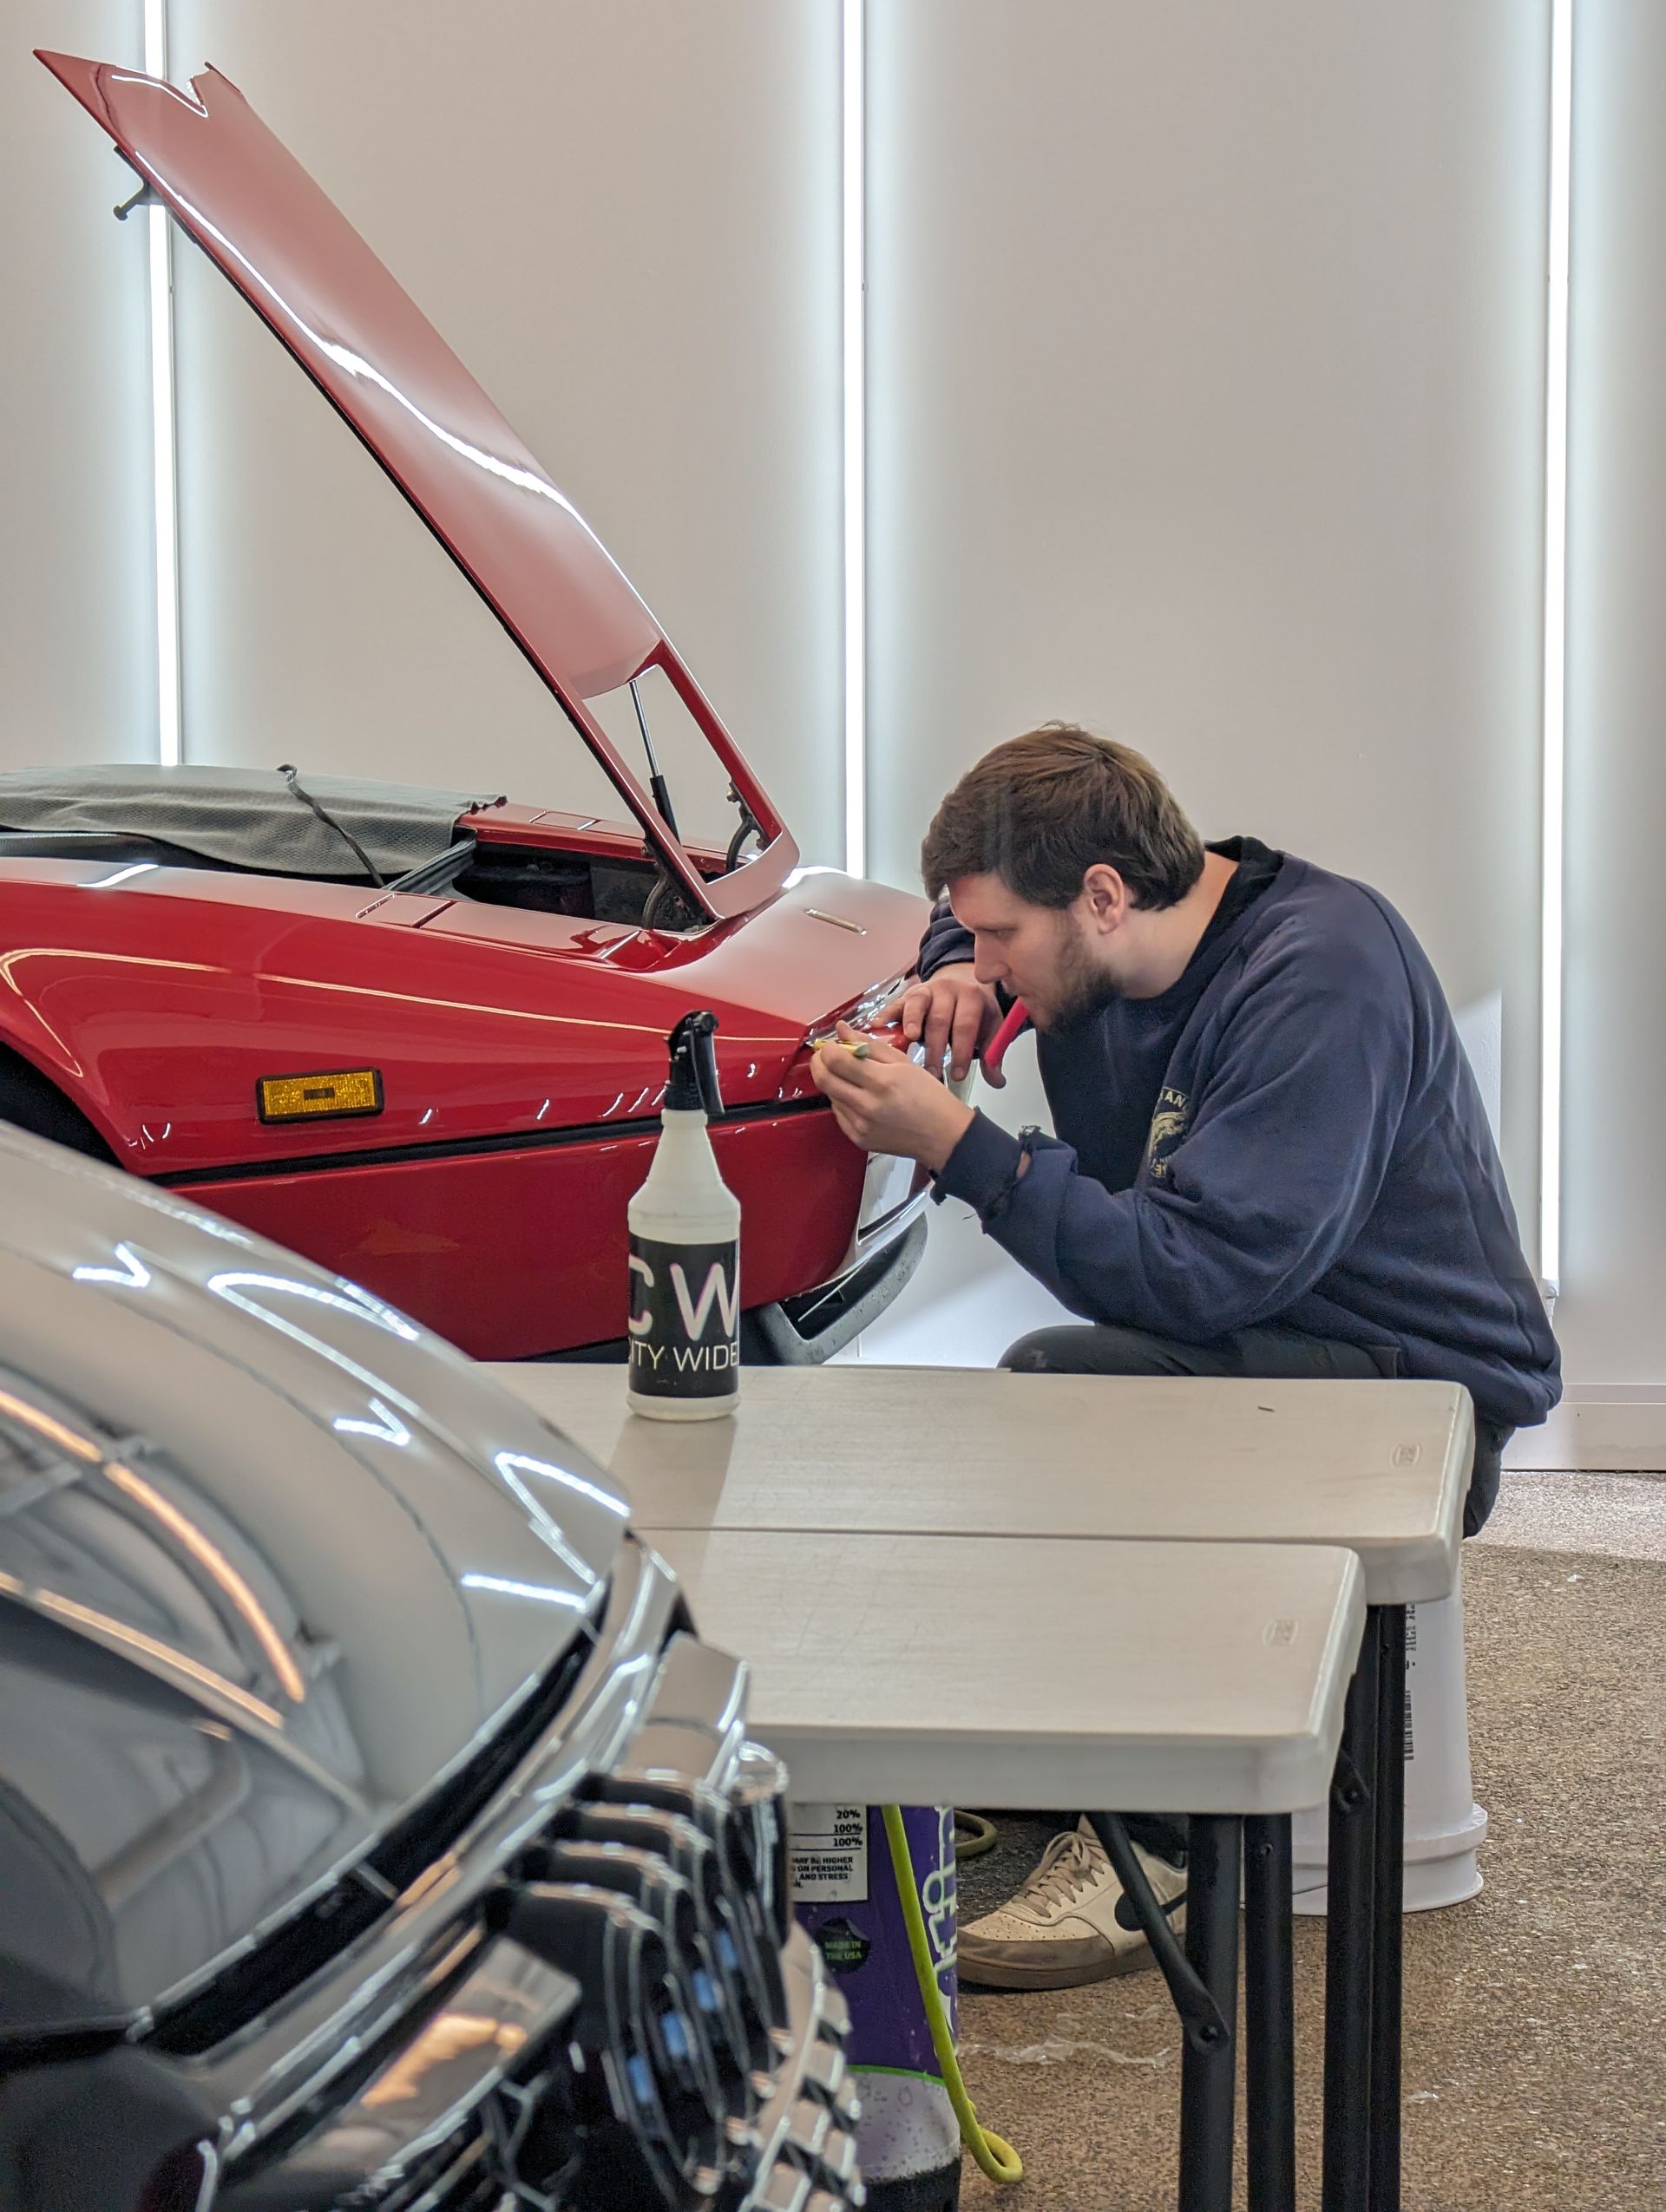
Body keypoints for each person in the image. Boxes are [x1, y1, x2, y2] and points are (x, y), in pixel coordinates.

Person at [808, 723, 1560, 1990]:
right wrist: (955, 966)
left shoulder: (1323, 981)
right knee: (1060, 1395)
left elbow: (1197, 1274)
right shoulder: (1114, 938)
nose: (988, 959)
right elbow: (990, 930)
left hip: (1418, 1398)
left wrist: (965, 1150)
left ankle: (1157, 1842)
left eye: (1003, 938)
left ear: (1103, 895)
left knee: (1071, 1392)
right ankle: (1089, 1764)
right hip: (1279, 1331)